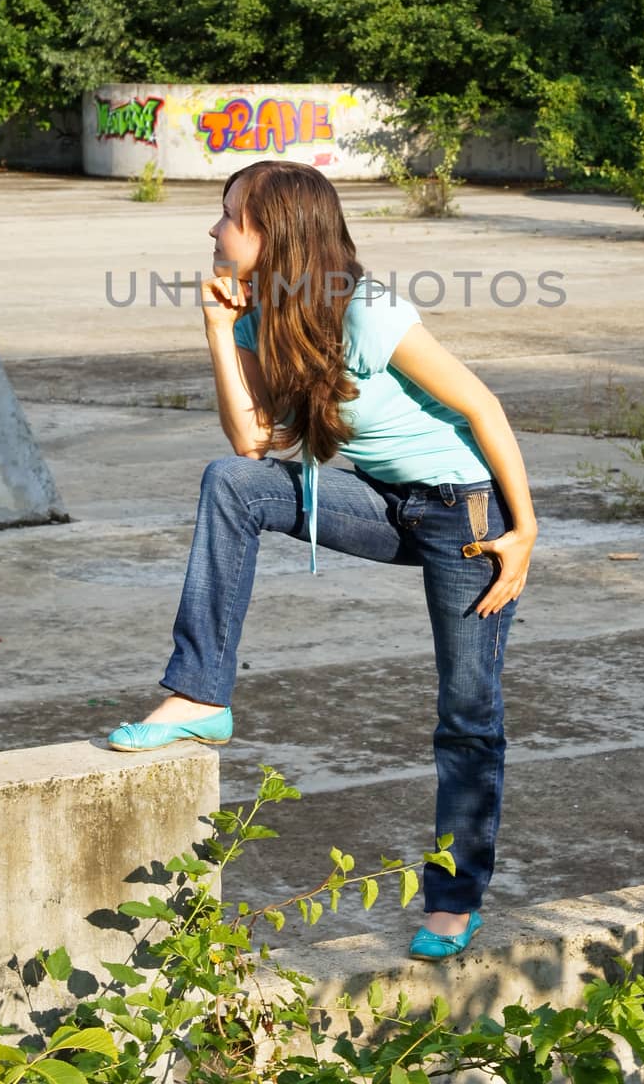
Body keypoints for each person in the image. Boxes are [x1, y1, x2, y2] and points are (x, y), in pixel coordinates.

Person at [108, 160, 538, 960]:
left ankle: (453, 899)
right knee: (232, 485)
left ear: (276, 229)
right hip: (386, 504)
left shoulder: (368, 313)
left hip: (468, 517)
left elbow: (482, 405)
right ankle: (198, 693)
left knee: (467, 714)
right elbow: (251, 444)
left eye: (228, 214)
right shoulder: (259, 316)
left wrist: (526, 530)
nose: (213, 230)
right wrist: (214, 326)